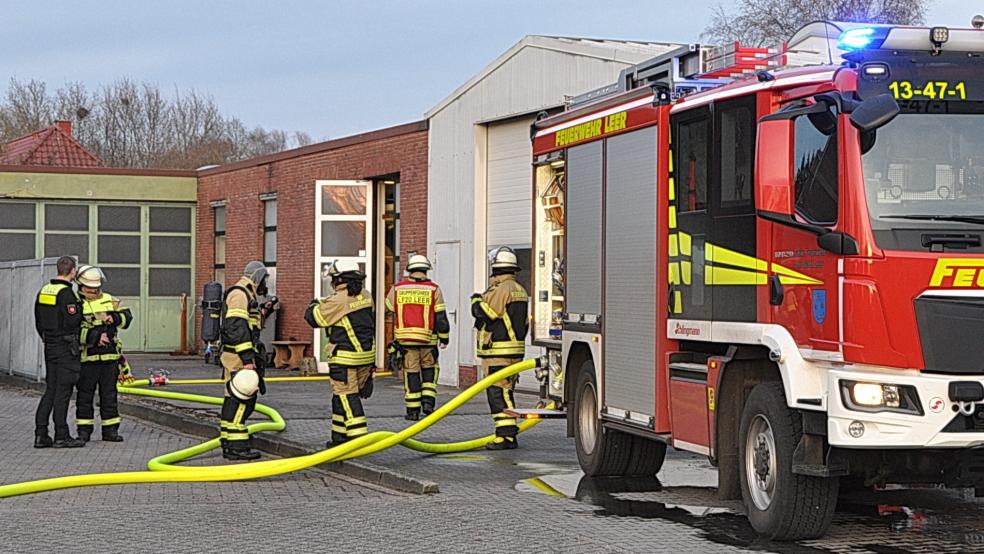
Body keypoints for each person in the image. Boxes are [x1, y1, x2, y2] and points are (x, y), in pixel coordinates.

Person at [305, 260, 376, 447]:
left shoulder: (339, 300)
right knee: (339, 397)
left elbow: (314, 318)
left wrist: (313, 304)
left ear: (338, 279)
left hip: (345, 358)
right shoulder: (366, 295)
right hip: (365, 357)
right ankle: (339, 437)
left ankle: (357, 441)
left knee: (347, 395)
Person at [471, 247, 529, 450]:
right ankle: (507, 433)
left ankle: (506, 436)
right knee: (506, 391)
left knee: (498, 393)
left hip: (498, 351)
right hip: (513, 350)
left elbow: (487, 314)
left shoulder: (501, 289)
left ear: (496, 269)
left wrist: (476, 300)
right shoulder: (519, 289)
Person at [384, 255, 450, 421]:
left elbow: (389, 308)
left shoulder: (397, 288)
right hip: (428, 341)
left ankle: (412, 411)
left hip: (406, 342)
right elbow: (440, 317)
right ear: (426, 270)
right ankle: (428, 404)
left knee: (411, 374)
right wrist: (444, 338)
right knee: (429, 371)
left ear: (409, 270)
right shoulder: (434, 289)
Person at [74, 265, 133, 442]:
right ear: (80, 286)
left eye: (95, 287)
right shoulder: (75, 302)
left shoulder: (110, 299)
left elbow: (127, 318)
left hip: (110, 358)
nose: (93, 290)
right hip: (88, 358)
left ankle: (110, 431)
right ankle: (84, 431)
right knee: (85, 396)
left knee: (109, 396)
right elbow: (73, 330)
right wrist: (95, 337)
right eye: (89, 287)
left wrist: (113, 318)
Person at [218, 261, 269, 461]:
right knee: (242, 400)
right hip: (238, 357)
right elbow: (236, 328)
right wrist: (248, 359)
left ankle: (228, 443)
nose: (265, 283)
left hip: (238, 355)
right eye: (264, 278)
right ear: (257, 276)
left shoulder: (247, 294)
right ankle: (237, 446)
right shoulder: (240, 294)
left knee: (233, 398)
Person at [33, 256, 85, 448]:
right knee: (63, 391)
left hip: (50, 345)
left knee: (51, 390)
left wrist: (48, 338)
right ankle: (61, 435)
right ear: (73, 271)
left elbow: (38, 320)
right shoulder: (67, 294)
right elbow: (73, 321)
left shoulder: (44, 291)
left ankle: (40, 434)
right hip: (65, 348)